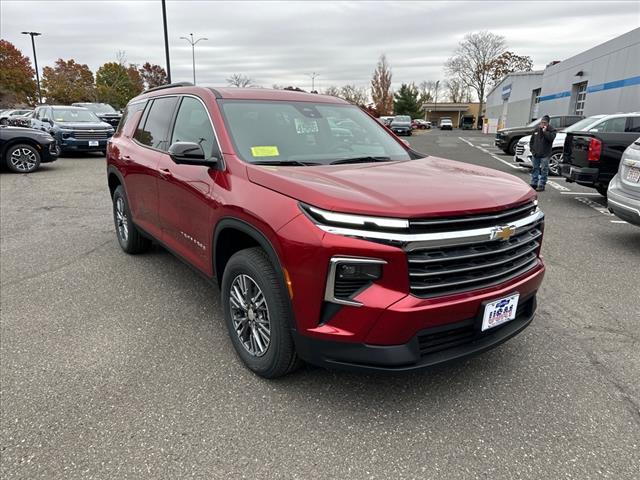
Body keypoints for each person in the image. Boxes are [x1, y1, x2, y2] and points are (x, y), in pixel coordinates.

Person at [529, 115, 556, 191]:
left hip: (545, 154)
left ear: (548, 123)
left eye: (545, 122)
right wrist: (532, 150)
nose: (543, 124)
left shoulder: (552, 130)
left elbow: (551, 138)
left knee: (544, 169)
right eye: (542, 122)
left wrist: (545, 132)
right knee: (535, 168)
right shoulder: (537, 129)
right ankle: (534, 183)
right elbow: (532, 140)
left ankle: (542, 184)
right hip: (536, 153)